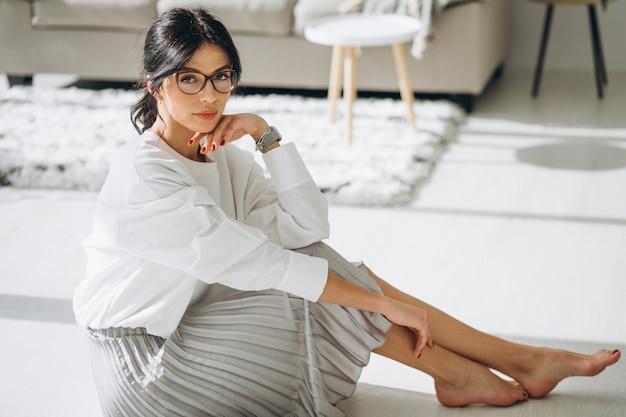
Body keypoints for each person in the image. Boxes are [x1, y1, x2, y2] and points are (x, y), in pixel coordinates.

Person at [73, 7, 621, 417]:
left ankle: (506, 362)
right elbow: (257, 265)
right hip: (149, 368)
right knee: (318, 288)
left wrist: (267, 136)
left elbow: (307, 229)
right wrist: (379, 302)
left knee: (317, 263)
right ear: (156, 88)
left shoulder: (220, 155)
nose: (210, 95)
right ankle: (473, 369)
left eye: (221, 76)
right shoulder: (147, 176)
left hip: (194, 326)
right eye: (188, 78)